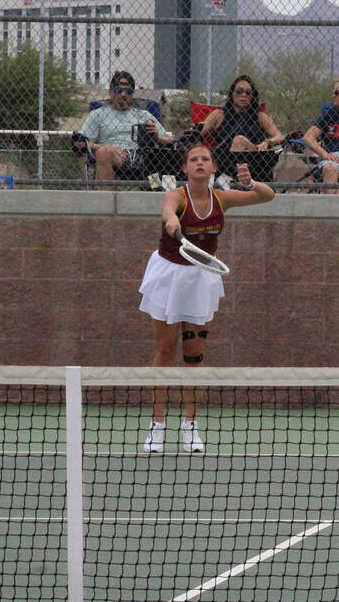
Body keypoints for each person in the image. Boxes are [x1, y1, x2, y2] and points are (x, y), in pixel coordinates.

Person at [138, 142, 275, 453]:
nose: (199, 163)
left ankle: (190, 426)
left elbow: (268, 196)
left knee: (194, 355)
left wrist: (251, 183)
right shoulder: (178, 196)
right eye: (193, 159)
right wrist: (171, 220)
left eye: (205, 159)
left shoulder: (222, 199)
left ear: (213, 168)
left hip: (202, 278)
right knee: (165, 350)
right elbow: (167, 208)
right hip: (169, 275)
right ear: (185, 169)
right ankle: (157, 426)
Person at [78, 71, 174, 181]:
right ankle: (107, 197)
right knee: (103, 153)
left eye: (128, 91)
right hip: (112, 157)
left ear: (132, 94)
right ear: (111, 92)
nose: (123, 95)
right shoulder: (97, 114)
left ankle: (157, 193)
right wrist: (104, 148)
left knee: (164, 159)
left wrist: (157, 137)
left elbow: (169, 140)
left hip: (144, 160)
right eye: (118, 90)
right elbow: (81, 142)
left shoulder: (144, 114)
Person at [197, 74, 285, 184]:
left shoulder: (260, 116)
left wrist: (267, 142)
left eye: (248, 93)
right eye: (239, 91)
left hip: (253, 160)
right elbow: (198, 134)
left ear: (252, 97)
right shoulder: (218, 115)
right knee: (238, 141)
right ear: (232, 94)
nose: (243, 95)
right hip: (225, 159)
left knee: (240, 140)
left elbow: (279, 136)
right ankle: (235, 181)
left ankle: (233, 182)